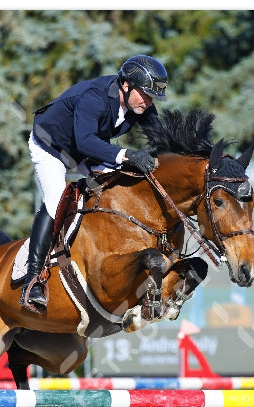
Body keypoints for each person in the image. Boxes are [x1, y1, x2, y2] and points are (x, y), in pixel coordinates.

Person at [22, 55, 168, 310]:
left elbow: (162, 141)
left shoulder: (140, 105)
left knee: (120, 184)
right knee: (56, 201)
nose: (149, 101)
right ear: (125, 85)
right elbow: (85, 140)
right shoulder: (95, 97)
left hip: (85, 150)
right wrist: (129, 155)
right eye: (145, 95)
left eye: (152, 97)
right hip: (51, 147)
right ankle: (32, 278)